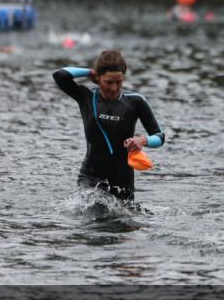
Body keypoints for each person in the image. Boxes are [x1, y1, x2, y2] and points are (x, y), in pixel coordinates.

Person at [53, 50, 164, 203]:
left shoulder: (135, 102)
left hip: (122, 179)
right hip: (90, 176)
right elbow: (59, 75)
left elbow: (159, 136)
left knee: (121, 222)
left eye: (118, 82)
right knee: (92, 211)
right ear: (98, 78)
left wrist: (142, 141)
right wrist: (89, 72)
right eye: (108, 82)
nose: (113, 88)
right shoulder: (86, 97)